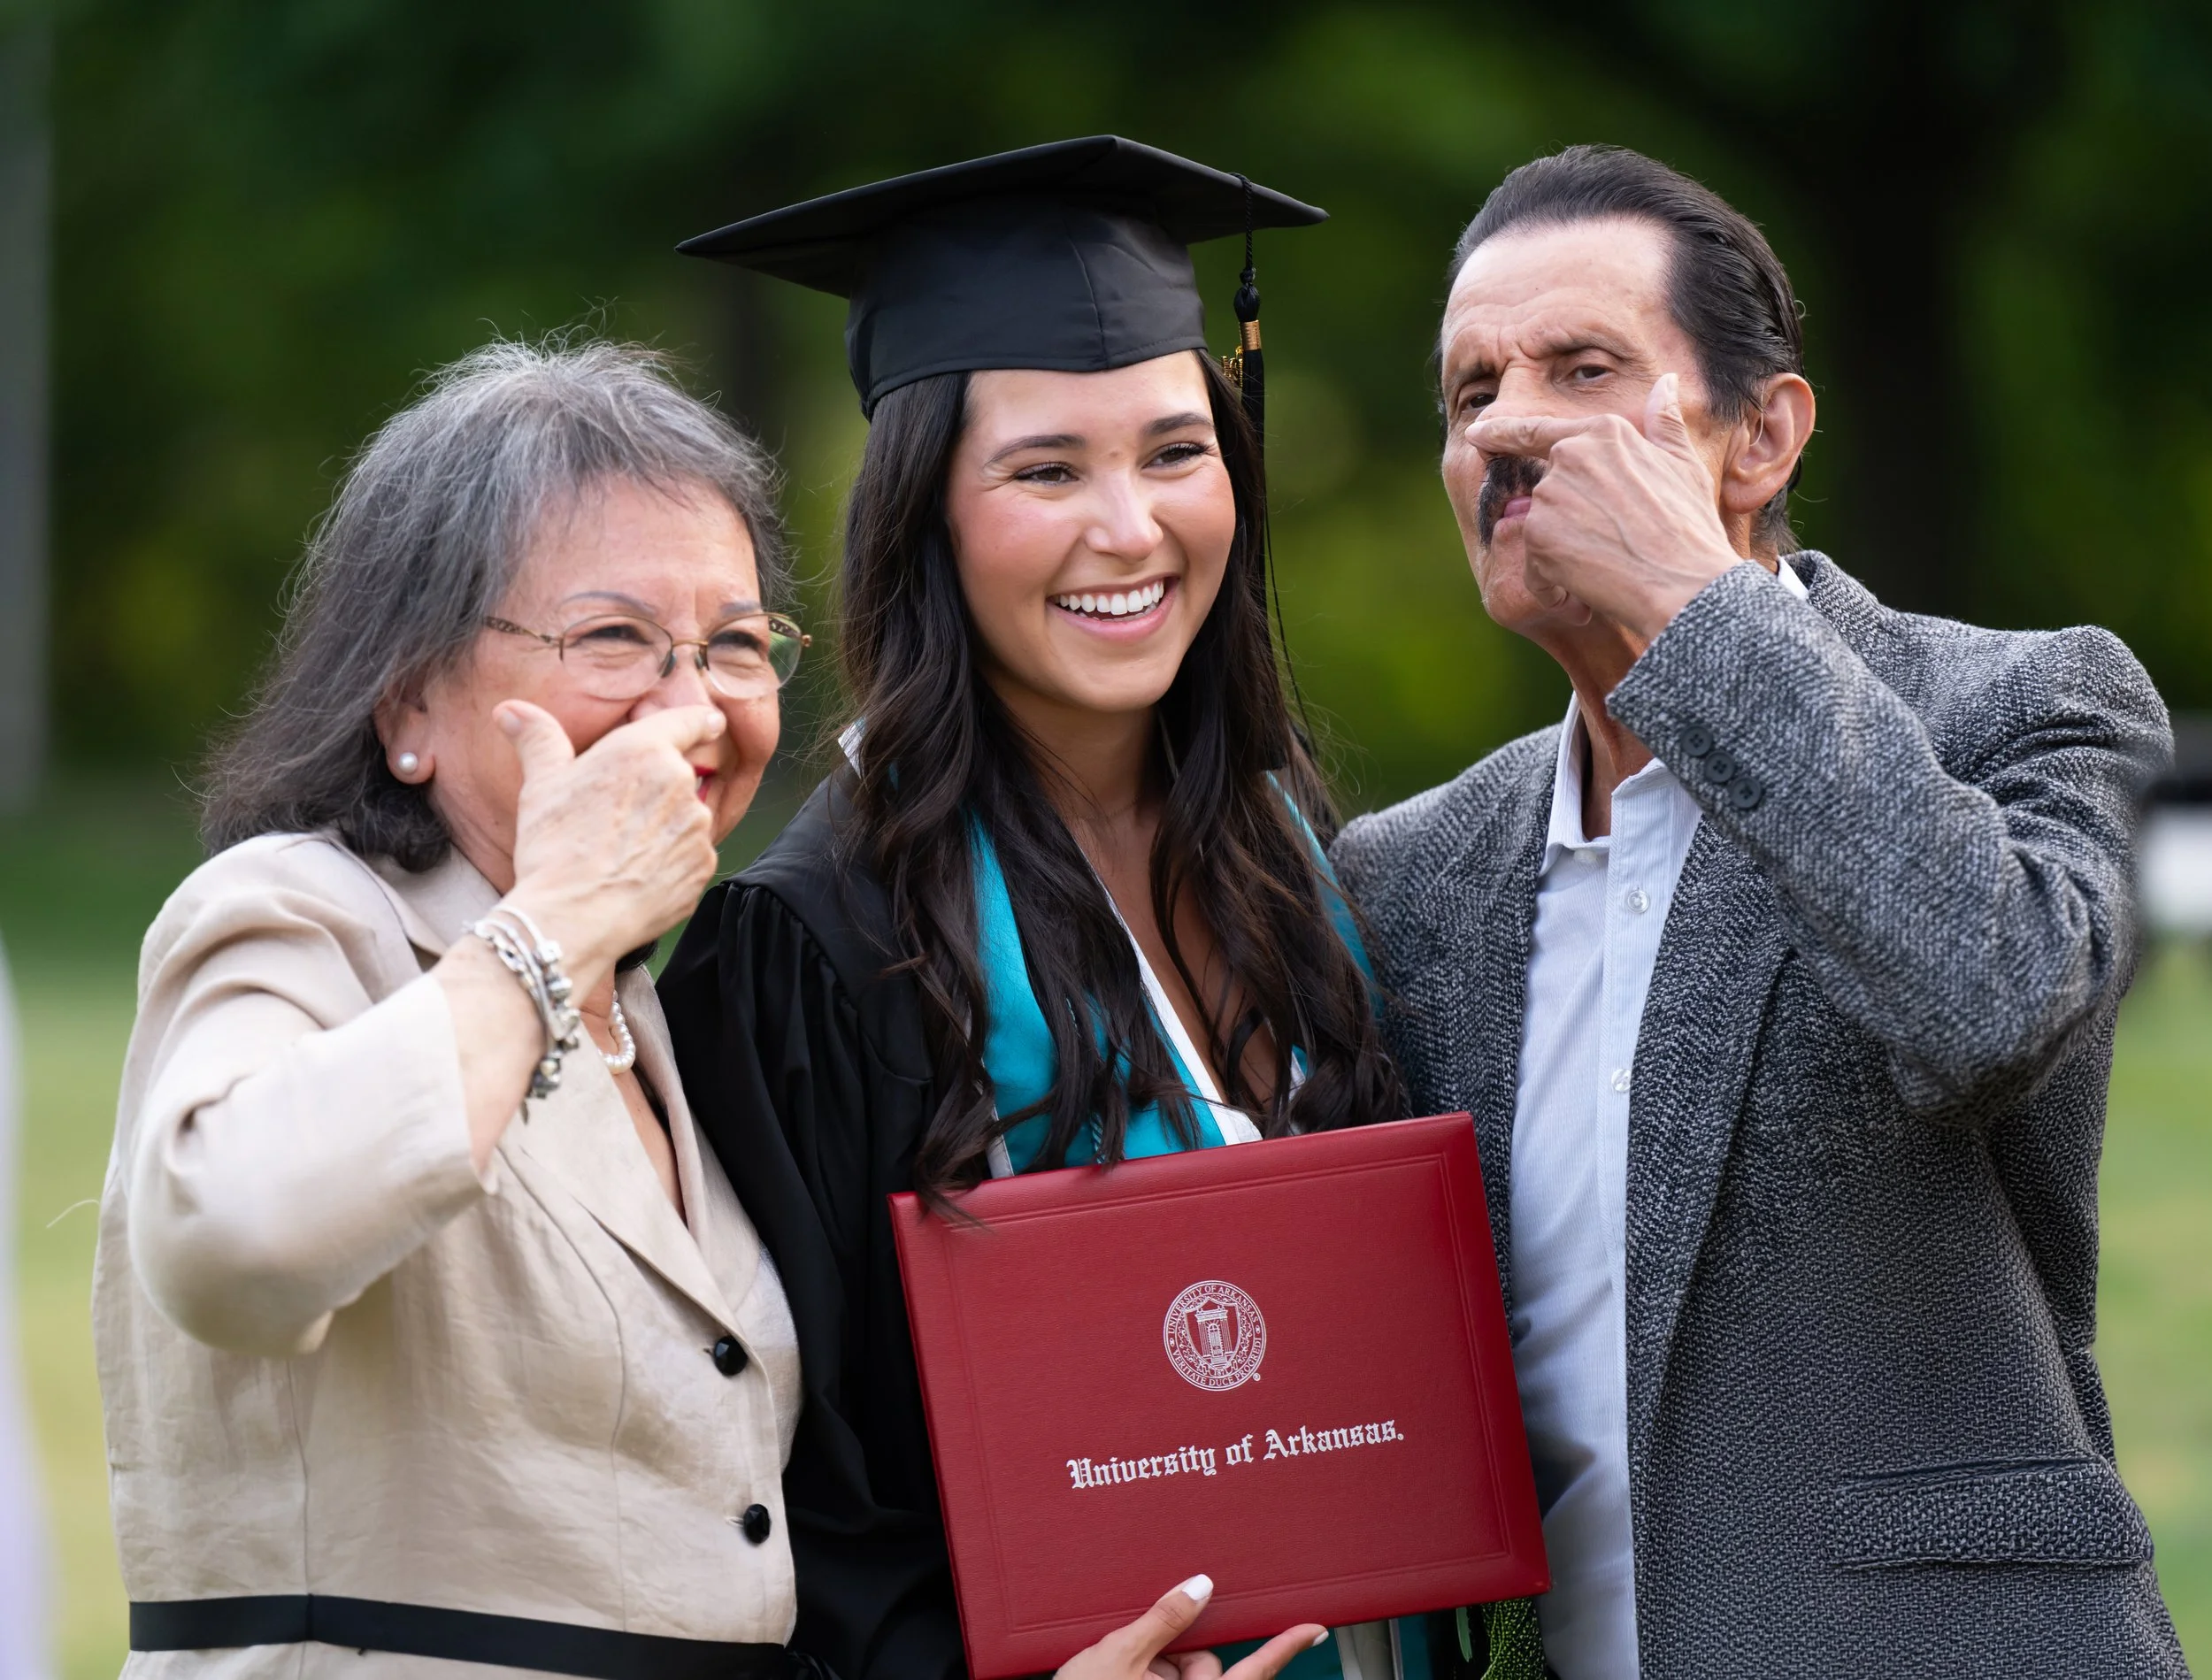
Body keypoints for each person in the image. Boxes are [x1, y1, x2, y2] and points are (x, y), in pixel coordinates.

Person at [1330, 144, 2186, 1677]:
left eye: (1582, 368)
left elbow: (1988, 998)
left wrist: (1687, 601)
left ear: (1764, 434)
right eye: (1470, 396)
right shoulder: (1409, 870)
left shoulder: (2026, 701)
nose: (1510, 428)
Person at [661, 138, 1440, 1680]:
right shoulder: (811, 947)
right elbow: (782, 1501)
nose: (1131, 528)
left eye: (1173, 451)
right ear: (924, 514)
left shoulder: (1297, 858)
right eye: (1046, 469)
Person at [95, 339, 819, 1676]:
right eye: (616, 638)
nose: (692, 705)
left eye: (732, 644)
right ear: (409, 698)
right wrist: (557, 924)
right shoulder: (297, 912)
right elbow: (231, 1237)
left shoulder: (656, 1010)